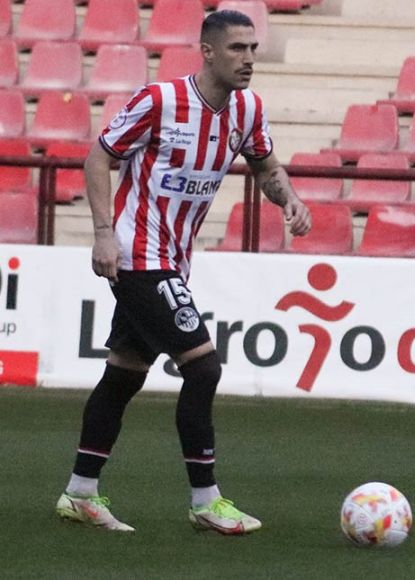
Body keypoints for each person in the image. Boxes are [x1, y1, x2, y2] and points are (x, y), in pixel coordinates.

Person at [55, 10, 311, 534]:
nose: (249, 59)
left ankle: (80, 491)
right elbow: (98, 157)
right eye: (238, 48)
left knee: (124, 373)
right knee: (203, 366)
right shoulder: (160, 101)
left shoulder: (247, 110)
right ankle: (205, 500)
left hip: (174, 258)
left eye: (253, 48)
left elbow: (265, 166)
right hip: (137, 255)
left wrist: (290, 198)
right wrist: (104, 233)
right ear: (209, 51)